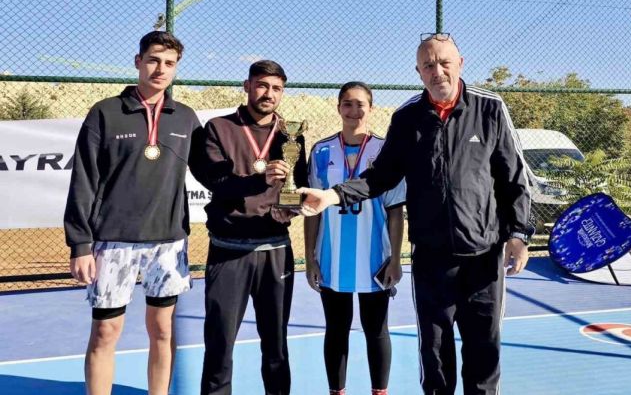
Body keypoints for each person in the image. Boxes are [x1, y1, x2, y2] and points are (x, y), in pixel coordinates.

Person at [297, 33, 532, 395]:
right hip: (432, 258)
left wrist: (518, 234)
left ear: (460, 64)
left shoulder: (490, 108)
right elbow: (381, 176)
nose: (437, 71)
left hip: (484, 256)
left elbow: (514, 176)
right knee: (435, 356)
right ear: (419, 72)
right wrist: (332, 195)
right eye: (428, 65)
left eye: (444, 63)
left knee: (484, 352)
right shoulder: (407, 117)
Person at [64, 31, 203, 395]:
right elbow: (84, 180)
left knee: (163, 329)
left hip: (168, 242)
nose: (161, 69)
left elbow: (213, 169)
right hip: (113, 241)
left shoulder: (185, 117)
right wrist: (80, 244)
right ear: (138, 61)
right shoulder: (105, 112)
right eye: (153, 60)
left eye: (169, 63)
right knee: (105, 331)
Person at [197, 60, 307, 395]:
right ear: (247, 86)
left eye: (276, 88)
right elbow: (217, 180)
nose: (268, 94)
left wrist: (291, 208)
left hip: (275, 250)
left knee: (276, 345)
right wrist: (261, 179)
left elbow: (299, 185)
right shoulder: (218, 128)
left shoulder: (291, 135)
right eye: (261, 85)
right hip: (228, 251)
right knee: (219, 343)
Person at [304, 82, 406, 395]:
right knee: (336, 330)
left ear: (371, 108)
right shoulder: (321, 151)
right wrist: (310, 258)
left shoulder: (386, 150)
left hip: (375, 258)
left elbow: (395, 210)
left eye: (360, 104)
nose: (353, 110)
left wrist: (396, 259)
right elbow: (313, 210)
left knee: (376, 330)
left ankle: (380, 392)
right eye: (347, 104)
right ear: (338, 108)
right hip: (332, 258)